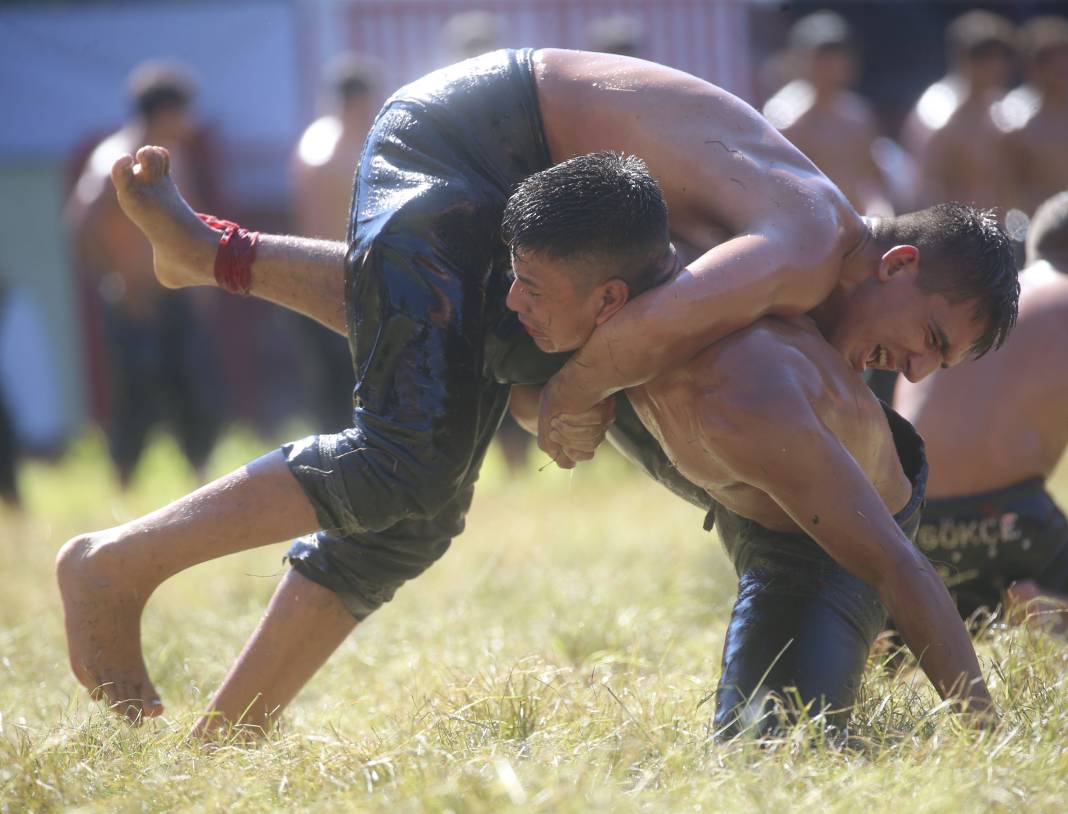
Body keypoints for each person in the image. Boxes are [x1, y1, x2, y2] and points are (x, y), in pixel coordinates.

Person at [56, 49, 1016, 737]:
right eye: (931, 337)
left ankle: (226, 739)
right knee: (409, 457)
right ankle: (115, 567)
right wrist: (574, 396)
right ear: (895, 263)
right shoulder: (809, 239)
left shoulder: (810, 281)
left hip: (534, 172)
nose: (917, 370)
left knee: (417, 501)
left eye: (943, 362)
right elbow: (648, 323)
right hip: (467, 141)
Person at [895, 192, 1068, 636]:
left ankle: (903, 627)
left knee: (933, 610)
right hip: (1014, 522)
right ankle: (1038, 600)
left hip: (911, 522)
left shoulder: (982, 305)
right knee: (1028, 555)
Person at [66, 61, 223, 487]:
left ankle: (201, 473)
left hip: (175, 295)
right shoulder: (117, 158)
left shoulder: (176, 158)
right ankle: (123, 480)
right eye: (181, 112)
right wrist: (117, 280)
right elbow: (83, 223)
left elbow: (191, 225)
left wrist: (202, 281)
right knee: (135, 396)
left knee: (192, 388)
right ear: (162, 112)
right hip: (134, 302)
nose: (188, 122)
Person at [290, 54, 380, 432]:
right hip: (348, 276)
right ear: (359, 100)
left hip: (310, 271)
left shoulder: (312, 139)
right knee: (352, 381)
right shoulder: (348, 148)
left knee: (330, 385)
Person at [762, 11, 892, 216]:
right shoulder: (787, 120)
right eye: (823, 59)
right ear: (802, 60)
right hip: (808, 226)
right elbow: (776, 190)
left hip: (854, 228)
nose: (832, 68)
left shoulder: (858, 115)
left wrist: (881, 213)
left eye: (838, 57)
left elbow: (872, 180)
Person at [903, 10, 1017, 211]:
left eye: (1001, 57)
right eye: (985, 57)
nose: (997, 66)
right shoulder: (937, 111)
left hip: (1000, 230)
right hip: (956, 232)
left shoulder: (1004, 108)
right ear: (962, 57)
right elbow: (926, 184)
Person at [999, 17, 1068, 220]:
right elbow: (1008, 190)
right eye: (1057, 70)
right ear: (1034, 68)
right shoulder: (1017, 126)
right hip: (1039, 229)